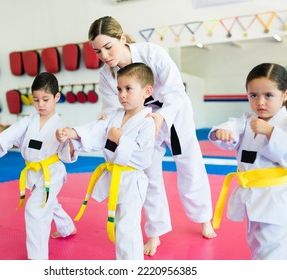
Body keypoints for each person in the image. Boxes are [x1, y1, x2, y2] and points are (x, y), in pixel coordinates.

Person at [88, 16, 216, 256]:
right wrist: (102, 124)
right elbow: (111, 109)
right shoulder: (106, 75)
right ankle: (155, 233)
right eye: (97, 51)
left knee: (190, 165)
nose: (104, 56)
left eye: (108, 47)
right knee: (148, 174)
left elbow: (176, 90)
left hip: (174, 113)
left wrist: (161, 117)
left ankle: (203, 218)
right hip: (140, 120)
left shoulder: (152, 53)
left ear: (122, 39)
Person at [56, 63, 155, 260]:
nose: (122, 95)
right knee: (121, 225)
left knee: (127, 227)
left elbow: (143, 157)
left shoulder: (147, 121)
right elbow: (96, 130)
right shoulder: (115, 116)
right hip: (116, 178)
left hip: (131, 180)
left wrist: (120, 140)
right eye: (119, 89)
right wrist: (73, 134)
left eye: (128, 89)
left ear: (146, 91)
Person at [208, 63, 287, 259]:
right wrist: (223, 132)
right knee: (258, 247)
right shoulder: (246, 121)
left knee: (273, 253)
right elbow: (232, 127)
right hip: (251, 198)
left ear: (285, 95)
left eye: (268, 95)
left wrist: (271, 132)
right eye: (253, 95)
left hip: (275, 200)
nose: (260, 102)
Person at [0, 72, 77, 260]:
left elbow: (69, 154)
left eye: (45, 99)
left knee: (35, 209)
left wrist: (68, 140)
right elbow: (10, 134)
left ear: (56, 97)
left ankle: (37, 259)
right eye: (36, 99)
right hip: (33, 172)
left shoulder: (62, 126)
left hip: (52, 173)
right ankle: (67, 227)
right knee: (49, 202)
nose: (40, 105)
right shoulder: (28, 121)